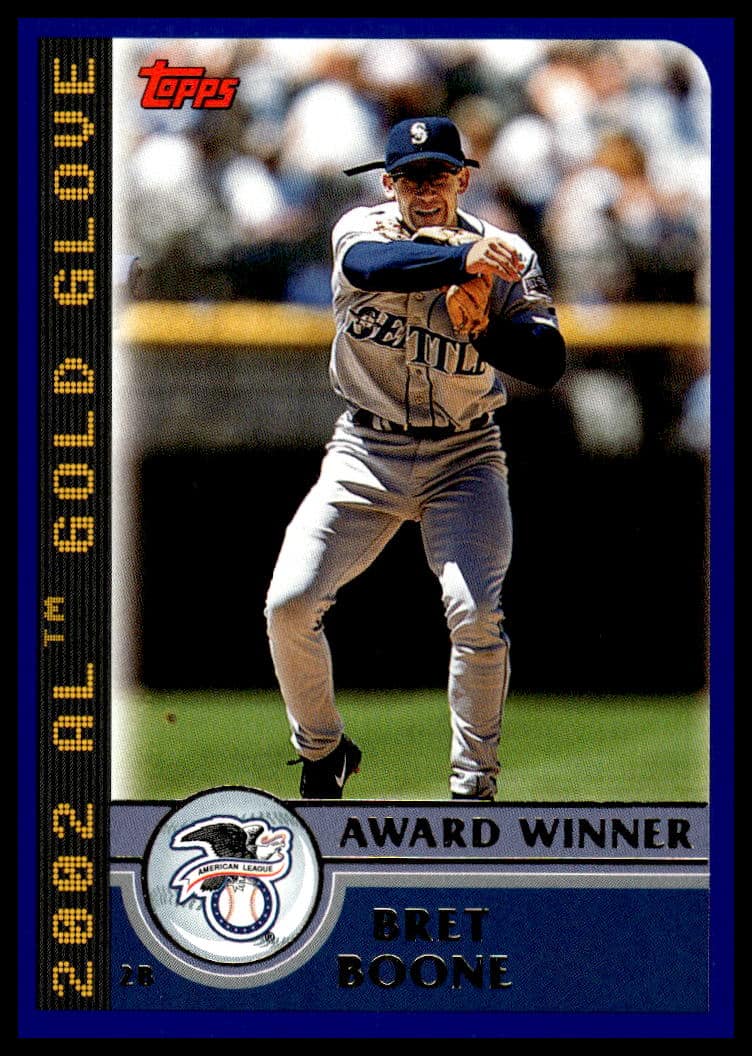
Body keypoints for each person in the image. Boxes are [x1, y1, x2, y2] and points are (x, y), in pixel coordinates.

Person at [265, 117, 565, 800]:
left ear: (463, 180)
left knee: (475, 613)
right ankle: (323, 750)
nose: (425, 190)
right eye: (410, 177)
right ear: (388, 184)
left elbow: (548, 362)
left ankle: (473, 788)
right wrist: (461, 263)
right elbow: (369, 268)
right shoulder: (361, 230)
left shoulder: (509, 252)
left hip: (466, 453)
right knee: (289, 604)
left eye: (438, 176)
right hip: (366, 450)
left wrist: (484, 330)